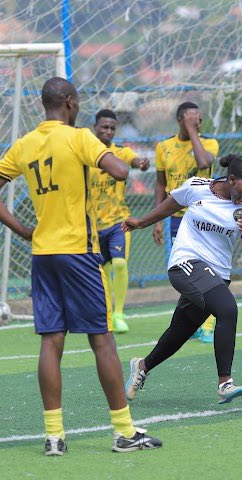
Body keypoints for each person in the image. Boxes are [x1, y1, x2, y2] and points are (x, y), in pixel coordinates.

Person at [0, 77, 162, 455]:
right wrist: (109, 158)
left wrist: (24, 230)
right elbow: (122, 172)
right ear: (71, 103)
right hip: (79, 251)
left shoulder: (26, 143)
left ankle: (54, 436)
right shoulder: (79, 138)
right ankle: (124, 431)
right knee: (102, 340)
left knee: (51, 339)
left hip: (44, 253)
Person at [122, 154, 242, 404]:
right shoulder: (197, 187)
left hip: (218, 274)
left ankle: (142, 366)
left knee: (180, 331)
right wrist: (141, 222)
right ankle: (225, 383)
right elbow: (170, 205)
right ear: (231, 179)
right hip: (186, 262)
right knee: (227, 309)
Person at [153, 102, 219, 344]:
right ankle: (192, 322)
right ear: (181, 119)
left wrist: (192, 132)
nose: (199, 123)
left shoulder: (208, 143)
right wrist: (157, 219)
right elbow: (160, 183)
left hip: (204, 219)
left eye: (200, 120)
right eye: (194, 119)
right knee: (184, 272)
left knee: (207, 270)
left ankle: (209, 324)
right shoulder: (163, 147)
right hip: (176, 220)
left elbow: (203, 163)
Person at [89, 108, 151, 334]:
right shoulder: (86, 155)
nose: (108, 131)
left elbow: (133, 160)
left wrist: (140, 163)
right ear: (95, 127)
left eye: (112, 128)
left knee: (120, 263)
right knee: (102, 272)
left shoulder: (119, 152)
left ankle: (119, 313)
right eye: (104, 127)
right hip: (94, 226)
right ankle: (107, 314)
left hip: (119, 221)